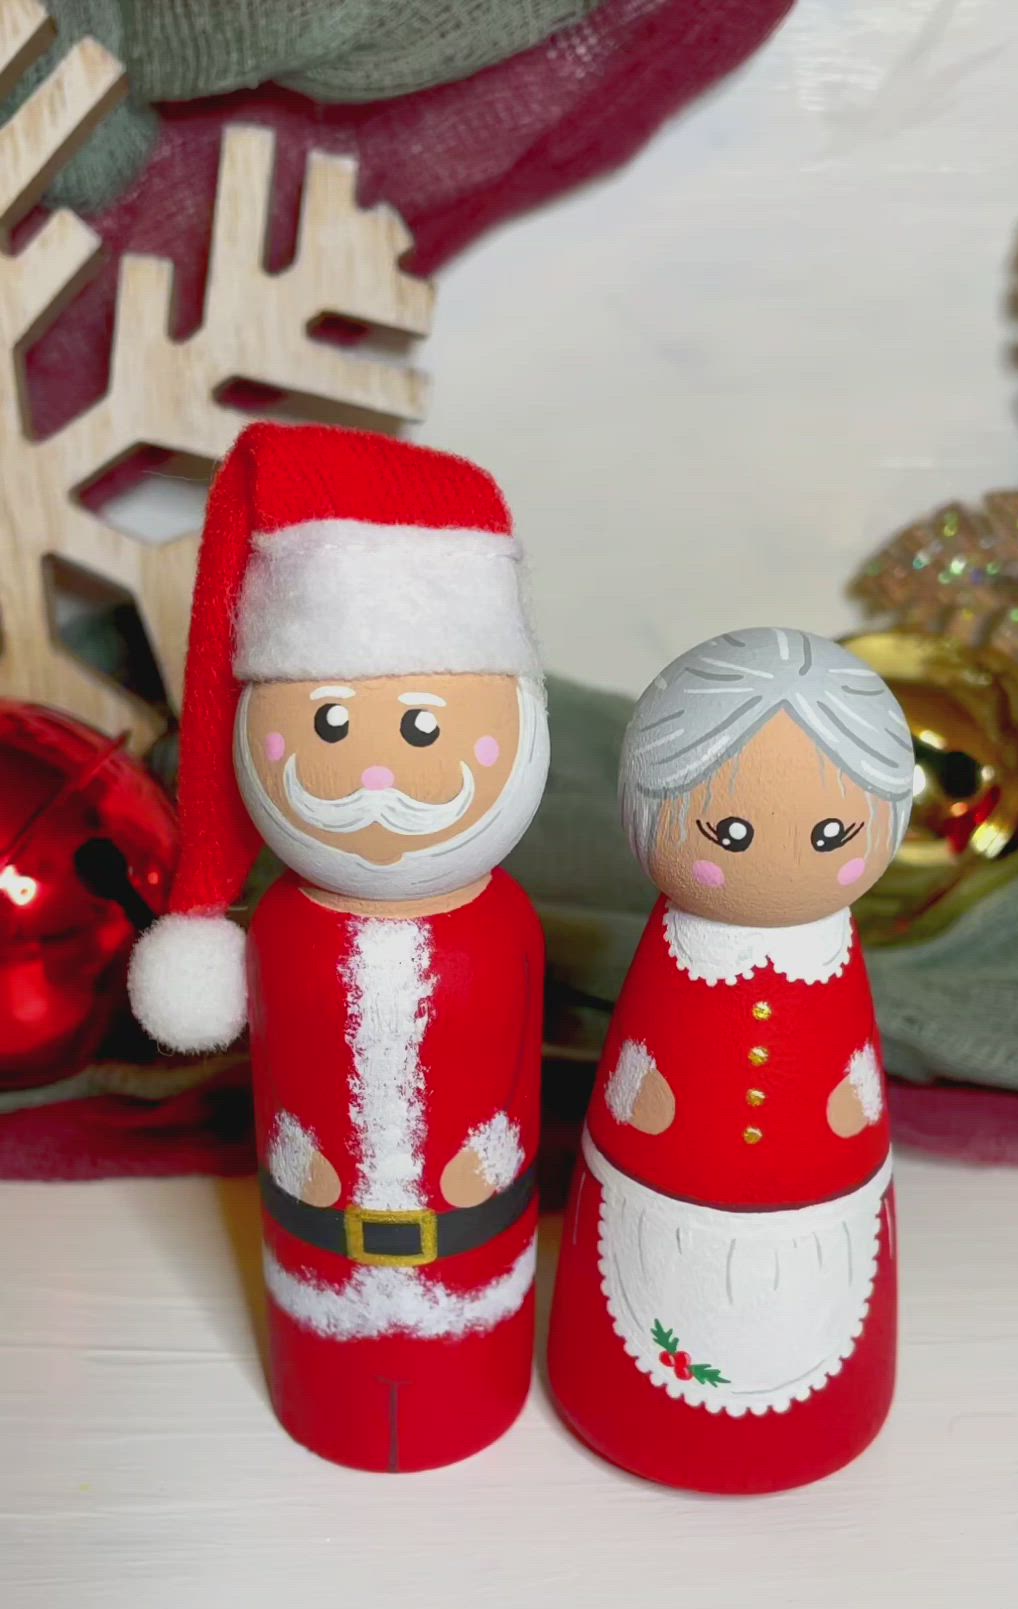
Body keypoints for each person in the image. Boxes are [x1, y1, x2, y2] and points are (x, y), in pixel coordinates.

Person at [129, 422, 549, 1473]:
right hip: (316, 1261)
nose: (372, 774)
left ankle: (465, 1392)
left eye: (421, 728)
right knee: (335, 1373)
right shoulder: (286, 931)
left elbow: (503, 1078)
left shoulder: (499, 928)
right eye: (324, 724)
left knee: (463, 1361)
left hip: (474, 1268)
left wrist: (486, 1159)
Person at [548, 626, 915, 1493]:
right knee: (649, 1281)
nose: (786, 851)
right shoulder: (679, 951)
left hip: (823, 1209)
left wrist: (846, 1110)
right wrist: (647, 1101)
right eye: (733, 830)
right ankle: (628, 1404)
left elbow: (852, 1077)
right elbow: (639, 1066)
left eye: (833, 831)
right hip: (654, 1198)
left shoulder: (831, 958)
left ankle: (812, 1417)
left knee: (817, 1295)